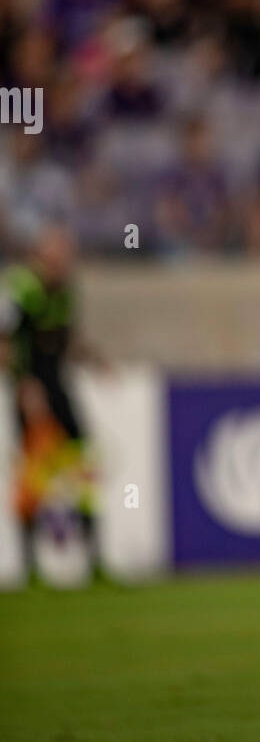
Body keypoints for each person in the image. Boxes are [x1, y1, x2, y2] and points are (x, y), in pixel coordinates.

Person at [0, 225, 101, 578]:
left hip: (58, 387)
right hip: (31, 391)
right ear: (41, 255)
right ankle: (30, 565)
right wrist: (23, 385)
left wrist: (97, 361)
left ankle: (94, 557)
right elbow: (6, 342)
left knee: (83, 463)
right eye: (59, 253)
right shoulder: (21, 288)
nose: (64, 261)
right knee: (32, 474)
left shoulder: (64, 290)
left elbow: (65, 337)